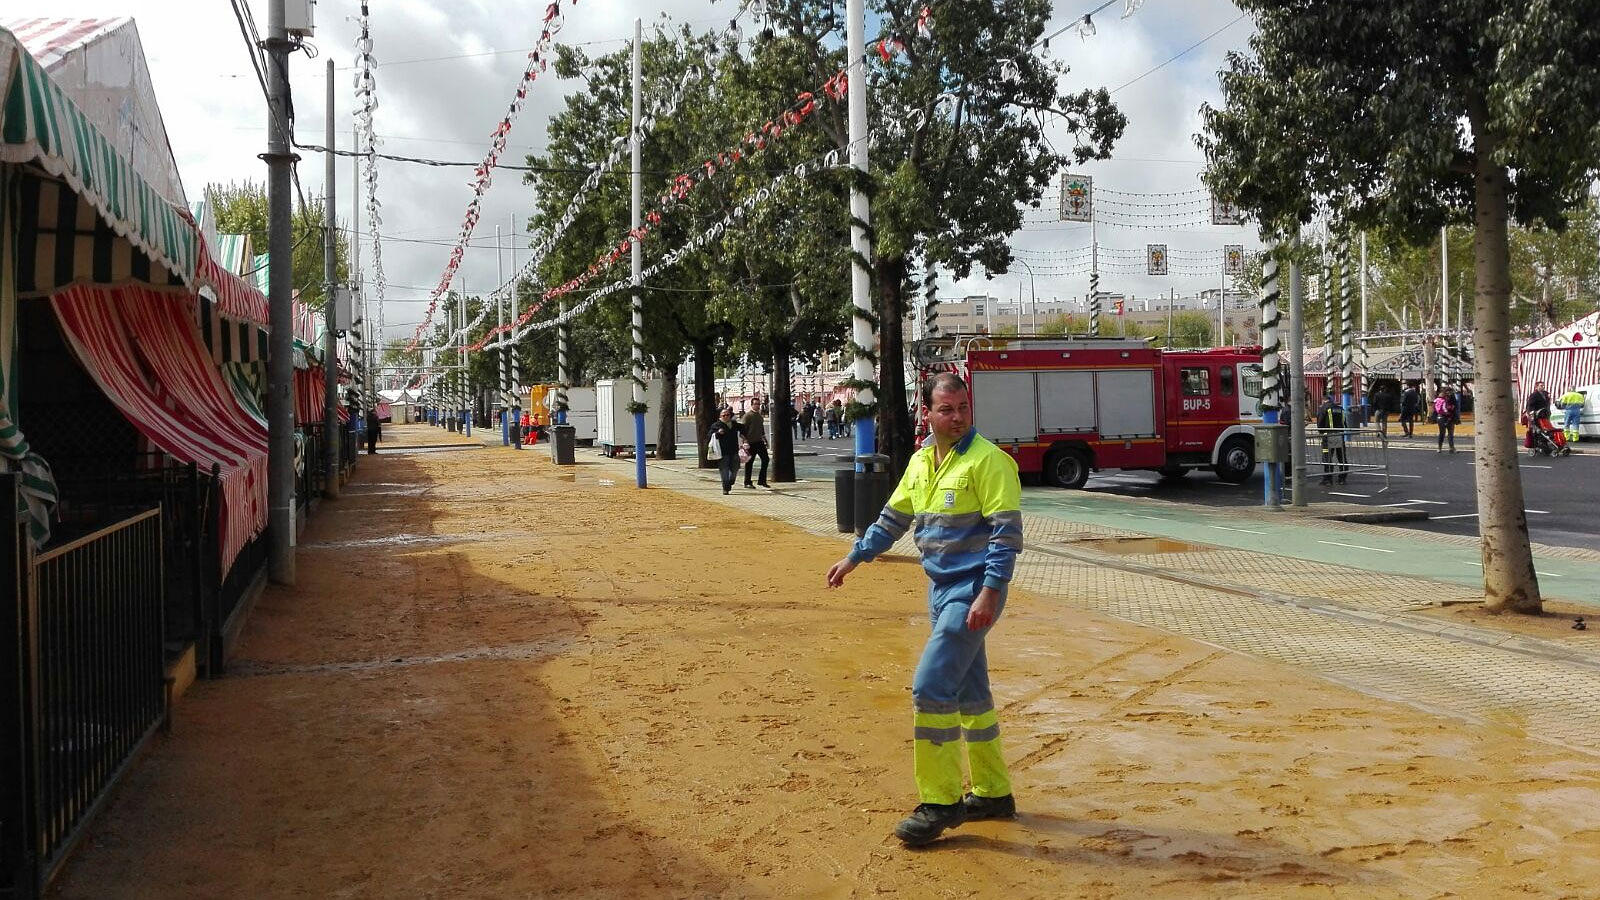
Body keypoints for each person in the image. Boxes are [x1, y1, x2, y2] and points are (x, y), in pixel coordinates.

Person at [825, 373, 1022, 847]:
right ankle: (993, 793)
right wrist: (854, 557)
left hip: (971, 591)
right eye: (947, 409)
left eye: (963, 408)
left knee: (931, 686)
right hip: (940, 590)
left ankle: (940, 802)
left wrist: (990, 592)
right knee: (971, 695)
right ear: (927, 413)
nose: (957, 418)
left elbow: (1006, 535)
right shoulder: (919, 464)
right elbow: (892, 519)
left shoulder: (989, 462)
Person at [708, 407, 742, 494]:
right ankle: (725, 488)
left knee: (735, 467)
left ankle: (731, 480)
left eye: (728, 415)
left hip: (734, 450)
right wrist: (718, 433)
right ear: (720, 416)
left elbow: (744, 429)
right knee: (724, 470)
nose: (726, 417)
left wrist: (744, 439)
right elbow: (709, 435)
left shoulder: (734, 424)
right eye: (724, 415)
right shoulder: (716, 425)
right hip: (722, 451)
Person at [1315, 396, 1347, 484]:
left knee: (1327, 457)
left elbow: (1320, 422)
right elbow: (1344, 422)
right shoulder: (1340, 409)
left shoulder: (1323, 408)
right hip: (1340, 435)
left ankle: (1328, 478)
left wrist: (1321, 432)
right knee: (1342, 457)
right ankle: (1342, 478)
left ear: (1323, 401)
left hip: (1327, 436)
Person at [741, 402, 770, 487]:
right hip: (750, 443)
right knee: (749, 462)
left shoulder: (760, 416)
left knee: (765, 459)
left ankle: (762, 480)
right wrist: (745, 441)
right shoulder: (748, 416)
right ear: (752, 405)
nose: (757, 405)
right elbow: (742, 430)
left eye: (758, 404)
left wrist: (765, 440)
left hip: (759, 442)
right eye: (755, 404)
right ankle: (747, 482)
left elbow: (762, 430)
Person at [1434, 388, 1459, 453]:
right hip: (1448, 417)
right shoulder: (1448, 399)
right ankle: (1451, 448)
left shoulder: (1439, 399)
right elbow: (1455, 407)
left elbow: (1436, 409)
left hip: (1442, 417)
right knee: (1448, 433)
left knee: (1443, 433)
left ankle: (1441, 448)